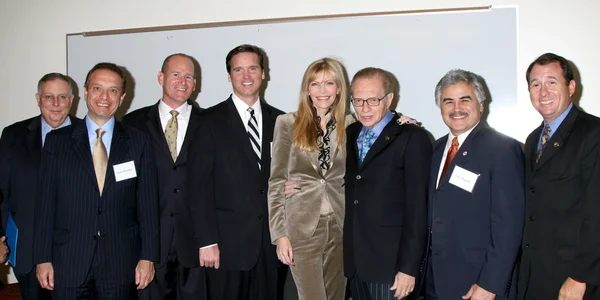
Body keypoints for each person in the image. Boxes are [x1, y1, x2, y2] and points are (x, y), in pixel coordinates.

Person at [33, 62, 159, 300]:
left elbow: (148, 205)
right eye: (98, 88)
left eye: (113, 90)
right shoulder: (57, 142)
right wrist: (42, 257)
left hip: (121, 263)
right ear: (86, 91)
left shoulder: (138, 142)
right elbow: (45, 205)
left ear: (122, 97)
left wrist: (148, 256)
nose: (104, 96)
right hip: (68, 260)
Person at [187, 44, 285, 300]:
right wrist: (206, 242)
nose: (246, 76)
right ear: (229, 75)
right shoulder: (208, 121)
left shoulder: (282, 122)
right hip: (225, 249)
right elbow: (198, 187)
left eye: (253, 68)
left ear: (264, 73)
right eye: (238, 69)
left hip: (270, 247)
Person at [426, 69, 525, 300]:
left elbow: (509, 226)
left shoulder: (502, 149)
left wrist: (490, 284)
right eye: (448, 101)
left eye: (465, 99)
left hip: (479, 283)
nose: (456, 108)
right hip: (435, 282)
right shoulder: (435, 150)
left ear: (481, 104)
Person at [268, 58, 354, 300]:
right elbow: (276, 182)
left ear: (339, 88)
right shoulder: (287, 123)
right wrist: (280, 235)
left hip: (340, 225)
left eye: (329, 83)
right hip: (302, 227)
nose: (322, 91)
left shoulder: (350, 124)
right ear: (307, 88)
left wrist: (400, 120)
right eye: (315, 84)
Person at [122, 53, 206, 300]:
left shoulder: (210, 122)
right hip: (149, 240)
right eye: (176, 74)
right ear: (161, 77)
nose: (183, 81)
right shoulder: (133, 123)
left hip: (195, 240)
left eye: (189, 76)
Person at [344, 67, 430, 300]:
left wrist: (409, 268)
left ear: (390, 98)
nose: (365, 108)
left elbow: (418, 209)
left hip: (391, 267)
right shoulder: (350, 133)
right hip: (355, 265)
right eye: (358, 100)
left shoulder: (412, 137)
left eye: (373, 100)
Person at [519, 53, 600, 300]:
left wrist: (579, 277)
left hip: (574, 280)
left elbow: (597, 213)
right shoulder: (533, 139)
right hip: (536, 276)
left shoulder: (593, 133)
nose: (543, 92)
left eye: (552, 82)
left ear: (571, 87)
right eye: (536, 84)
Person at [0, 72, 76, 300]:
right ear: (38, 98)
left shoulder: (90, 136)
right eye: (48, 97)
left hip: (75, 253)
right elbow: (1, 191)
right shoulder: (13, 136)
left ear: (72, 100)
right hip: (28, 251)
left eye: (62, 97)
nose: (55, 104)